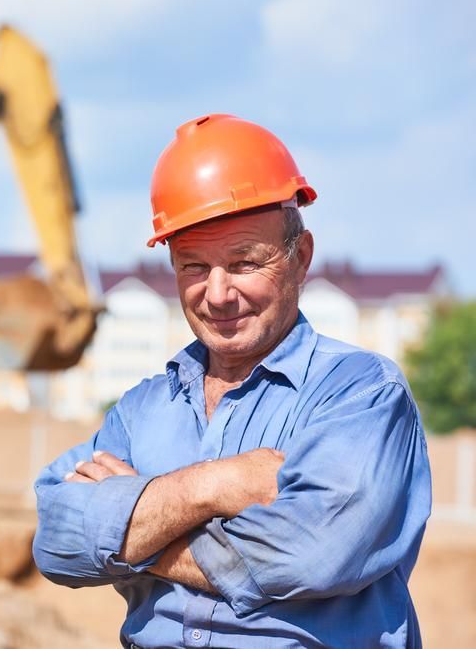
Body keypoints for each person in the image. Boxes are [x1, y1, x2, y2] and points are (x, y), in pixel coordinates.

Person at [32, 114, 432, 648]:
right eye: (194, 267)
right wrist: (214, 486)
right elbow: (57, 541)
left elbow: (307, 554)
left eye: (244, 263)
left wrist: (128, 531)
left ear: (301, 258)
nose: (217, 294)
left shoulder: (360, 395)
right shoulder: (143, 408)